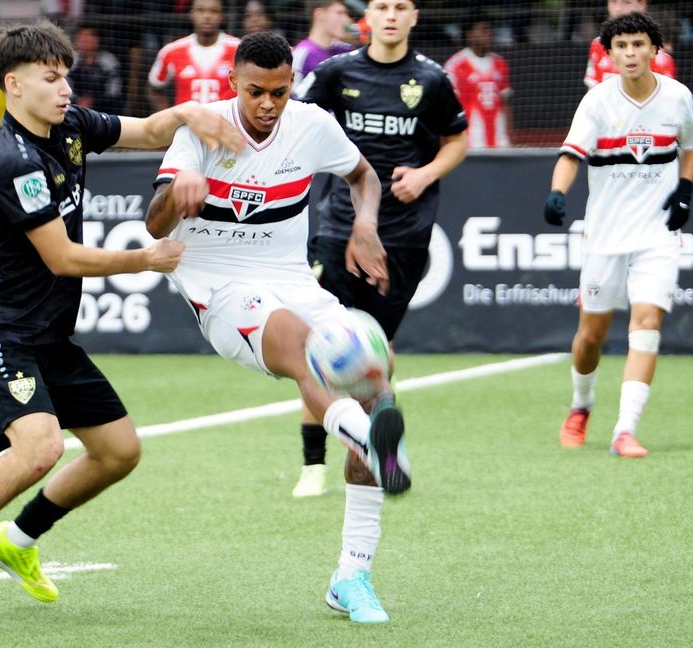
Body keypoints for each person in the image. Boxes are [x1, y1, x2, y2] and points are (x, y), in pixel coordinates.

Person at [0, 20, 244, 632]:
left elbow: (150, 130)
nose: (64, 89)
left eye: (67, 77)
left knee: (118, 452)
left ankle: (19, 540)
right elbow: (62, 257)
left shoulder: (72, 126)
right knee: (42, 449)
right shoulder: (14, 161)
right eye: (51, 78)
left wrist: (192, 112)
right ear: (14, 83)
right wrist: (146, 258)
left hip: (48, 334)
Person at [146, 30, 411, 624]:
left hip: (291, 277)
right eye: (256, 92)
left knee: (378, 368)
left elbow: (363, 174)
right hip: (217, 289)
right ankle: (365, 437)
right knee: (297, 343)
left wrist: (365, 224)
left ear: (292, 85)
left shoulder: (311, 124)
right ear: (233, 84)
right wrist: (177, 195)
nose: (268, 105)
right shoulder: (203, 128)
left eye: (279, 92)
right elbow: (155, 224)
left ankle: (352, 575)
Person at [292, 0, 468, 497]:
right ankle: (313, 464)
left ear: (414, 18)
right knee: (323, 343)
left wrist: (427, 173)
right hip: (340, 227)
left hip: (405, 233)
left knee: (374, 352)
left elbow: (457, 138)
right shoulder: (334, 71)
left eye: (401, 7)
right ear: (369, 16)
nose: (391, 15)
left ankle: (372, 446)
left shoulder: (431, 79)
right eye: (382, 6)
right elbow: (293, 122)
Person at [543, 12, 693, 458]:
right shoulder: (596, 102)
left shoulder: (676, 97)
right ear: (609, 53)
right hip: (605, 236)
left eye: (638, 44)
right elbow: (571, 156)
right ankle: (581, 405)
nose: (630, 53)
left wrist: (685, 191)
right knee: (591, 336)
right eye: (621, 46)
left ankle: (625, 430)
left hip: (657, 235)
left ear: (655, 49)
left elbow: (691, 146)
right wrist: (557, 193)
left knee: (647, 325)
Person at [147, 0, 240, 110]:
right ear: (191, 14)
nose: (207, 16)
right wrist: (169, 120)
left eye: (214, 11)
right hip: (186, 126)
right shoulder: (172, 51)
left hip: (227, 125)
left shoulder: (239, 49)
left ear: (222, 15)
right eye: (200, 10)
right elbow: (154, 87)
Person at [443, 12, 512, 149]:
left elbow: (506, 103)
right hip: (470, 143)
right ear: (470, 35)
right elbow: (446, 108)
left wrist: (509, 135)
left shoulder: (500, 63)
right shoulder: (455, 65)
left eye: (490, 30)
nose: (489, 34)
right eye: (483, 30)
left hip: (500, 142)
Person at [585, 0, 675, 89]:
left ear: (642, 5)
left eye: (626, 2)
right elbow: (592, 93)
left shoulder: (661, 57)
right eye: (613, 2)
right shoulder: (597, 45)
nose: (618, 9)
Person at [291, 0, 356, 94]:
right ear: (319, 14)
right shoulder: (302, 54)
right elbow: (293, 97)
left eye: (346, 14)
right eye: (339, 13)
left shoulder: (346, 51)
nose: (347, 20)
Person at [68, 24, 126, 115]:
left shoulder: (109, 61)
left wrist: (93, 101)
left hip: (103, 109)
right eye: (81, 36)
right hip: (75, 107)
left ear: (98, 39)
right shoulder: (72, 60)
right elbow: (67, 85)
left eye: (89, 36)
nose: (84, 40)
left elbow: (114, 91)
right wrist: (77, 100)